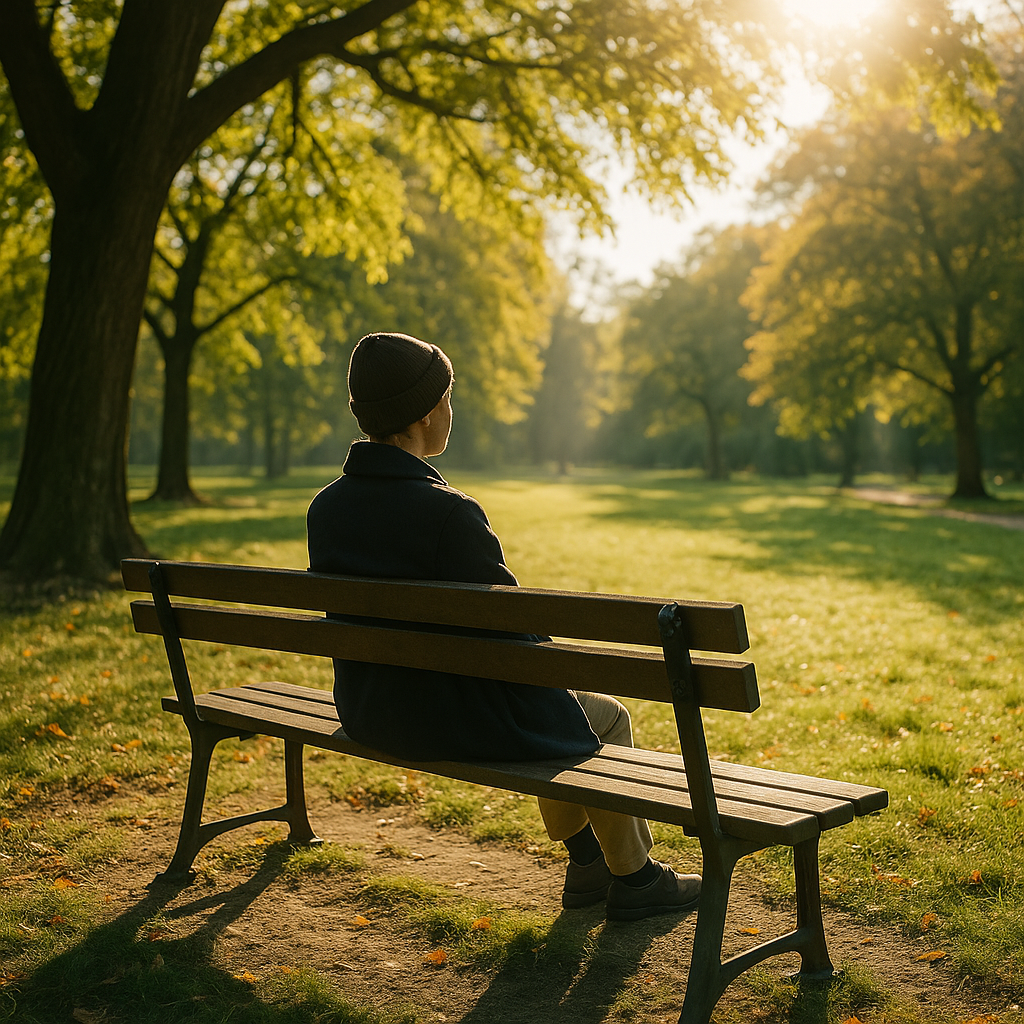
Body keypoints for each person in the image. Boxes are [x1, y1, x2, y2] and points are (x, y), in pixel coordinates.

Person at [307, 331, 700, 921]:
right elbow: (518, 642)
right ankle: (636, 879)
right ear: (424, 411)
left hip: (372, 708)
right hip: (452, 718)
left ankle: (588, 862)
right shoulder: (449, 513)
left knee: (554, 704)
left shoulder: (326, 509)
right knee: (598, 715)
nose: (450, 412)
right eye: (447, 397)